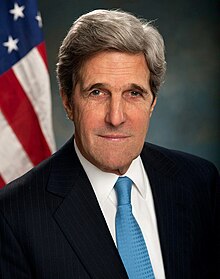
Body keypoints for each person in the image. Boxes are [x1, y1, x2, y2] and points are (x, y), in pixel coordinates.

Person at [0, 9, 219, 279]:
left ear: (152, 102)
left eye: (134, 93)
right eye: (97, 92)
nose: (116, 117)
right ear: (68, 101)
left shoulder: (199, 182)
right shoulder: (13, 215)